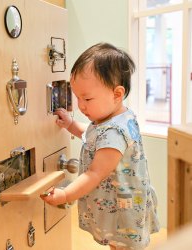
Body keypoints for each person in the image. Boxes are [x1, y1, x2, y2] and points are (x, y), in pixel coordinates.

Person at [41, 43, 160, 250]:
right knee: (117, 245)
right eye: (77, 97)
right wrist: (70, 125)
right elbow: (94, 137)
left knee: (122, 245)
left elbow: (95, 173)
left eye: (87, 98)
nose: (81, 105)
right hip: (123, 205)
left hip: (123, 211)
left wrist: (67, 195)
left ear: (117, 94)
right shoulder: (116, 118)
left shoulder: (114, 132)